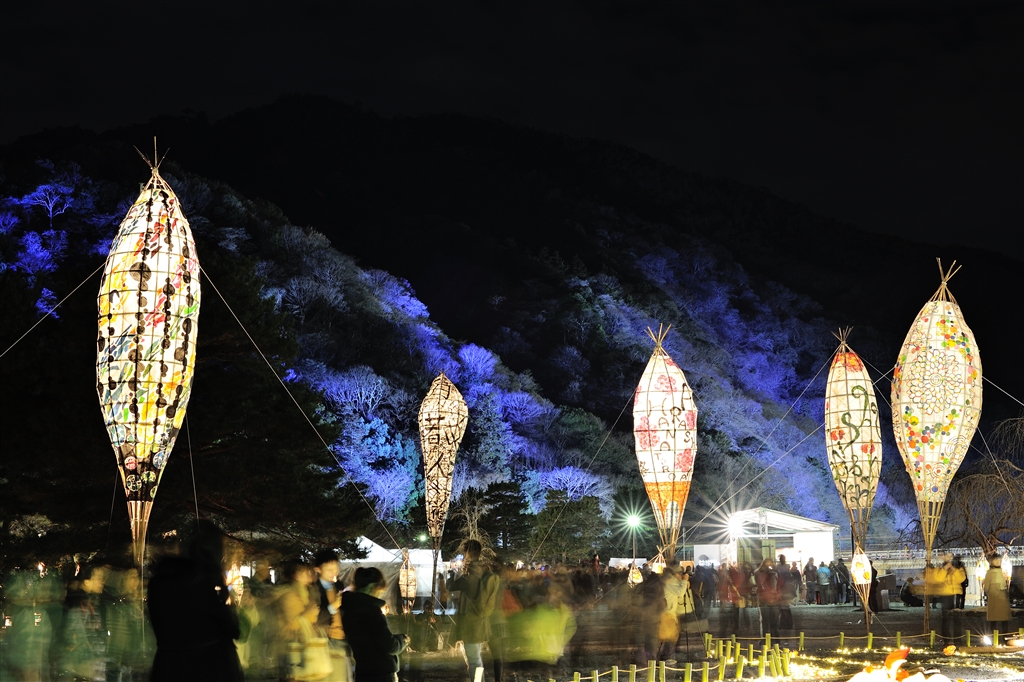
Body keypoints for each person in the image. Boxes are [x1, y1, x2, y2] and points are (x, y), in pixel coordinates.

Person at [147, 520, 243, 681]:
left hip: (167, 667)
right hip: (206, 667)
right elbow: (232, 629)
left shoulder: (160, 580)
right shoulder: (200, 582)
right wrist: (222, 593)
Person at [343, 567, 410, 682]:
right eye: (380, 592)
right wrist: (403, 639)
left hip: (363, 671)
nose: (380, 596)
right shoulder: (372, 612)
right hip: (382, 672)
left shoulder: (349, 609)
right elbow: (389, 646)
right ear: (372, 587)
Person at [448, 540, 499, 681]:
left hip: (471, 625)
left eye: (465, 553)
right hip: (480, 622)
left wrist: (453, 572)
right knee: (476, 659)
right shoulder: (483, 571)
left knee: (474, 660)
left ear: (467, 553)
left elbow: (451, 586)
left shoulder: (471, 575)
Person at [982, 555, 1010, 636]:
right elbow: (1005, 584)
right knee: (1002, 619)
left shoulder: (990, 573)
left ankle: (996, 636)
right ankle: (1003, 636)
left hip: (994, 597)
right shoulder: (1001, 572)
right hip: (1000, 597)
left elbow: (986, 586)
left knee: (994, 619)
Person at [754, 558, 780, 638]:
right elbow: (776, 585)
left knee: (765, 622)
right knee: (774, 622)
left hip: (763, 599)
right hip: (773, 599)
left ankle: (765, 639)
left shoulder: (758, 572)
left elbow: (758, 582)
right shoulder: (773, 573)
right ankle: (775, 640)